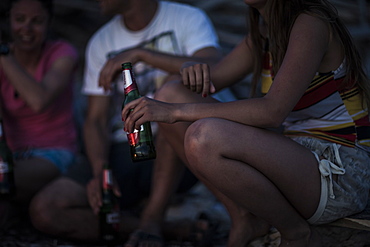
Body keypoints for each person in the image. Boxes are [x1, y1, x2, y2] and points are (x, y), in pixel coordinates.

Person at [121, 0, 370, 246]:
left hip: (340, 168)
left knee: (204, 136)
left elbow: (272, 112)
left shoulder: (310, 23)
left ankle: (296, 233)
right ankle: (244, 217)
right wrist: (186, 68)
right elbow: (208, 80)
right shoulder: (263, 32)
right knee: (169, 93)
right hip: (298, 159)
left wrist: (174, 112)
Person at [29, 0, 233, 244]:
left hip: (180, 151)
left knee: (169, 89)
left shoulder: (187, 18)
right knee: (45, 210)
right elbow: (96, 120)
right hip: (123, 150)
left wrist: (141, 54)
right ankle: (166, 228)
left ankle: (152, 218)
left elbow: (215, 66)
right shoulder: (101, 42)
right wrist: (100, 170)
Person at [0, 0, 78, 229]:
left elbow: (38, 100)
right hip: (12, 155)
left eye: (37, 21)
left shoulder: (62, 53)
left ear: (49, 23)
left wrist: (4, 54)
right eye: (20, 19)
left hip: (55, 153)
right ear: (9, 21)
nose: (26, 28)